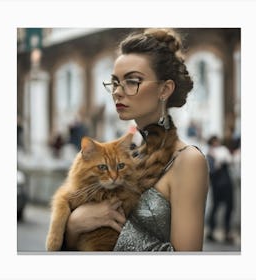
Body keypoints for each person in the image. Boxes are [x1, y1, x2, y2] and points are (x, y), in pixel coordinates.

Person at [62, 28, 209, 251]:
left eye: (132, 81)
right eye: (114, 82)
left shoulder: (188, 161)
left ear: (165, 89)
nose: (118, 92)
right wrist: (74, 225)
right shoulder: (130, 155)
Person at [206, 135, 234, 243]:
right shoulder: (209, 155)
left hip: (227, 184)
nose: (216, 143)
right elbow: (211, 171)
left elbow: (230, 161)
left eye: (217, 141)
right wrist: (216, 161)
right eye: (214, 141)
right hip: (217, 185)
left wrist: (220, 160)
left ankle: (227, 232)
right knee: (215, 208)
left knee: (229, 208)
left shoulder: (223, 151)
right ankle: (211, 232)